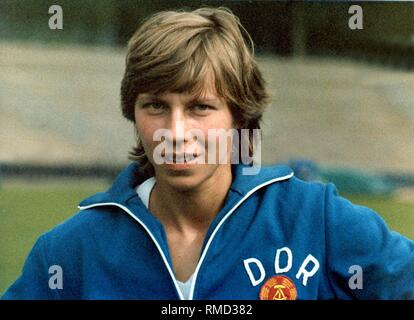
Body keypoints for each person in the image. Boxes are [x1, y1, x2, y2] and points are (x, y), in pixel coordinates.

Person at [2, 7, 414, 300]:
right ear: (133, 112)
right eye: (155, 106)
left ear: (240, 117)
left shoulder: (314, 220)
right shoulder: (70, 253)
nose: (177, 133)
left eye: (200, 107)